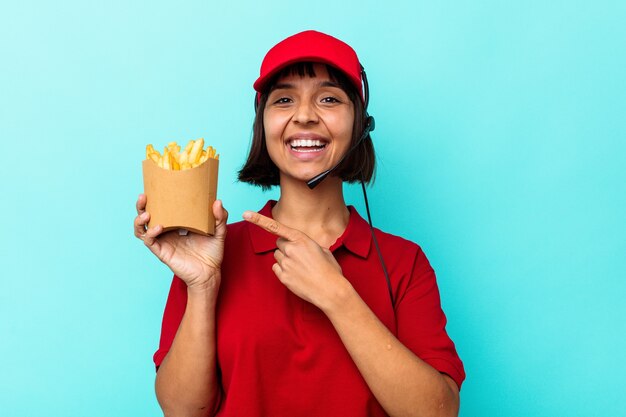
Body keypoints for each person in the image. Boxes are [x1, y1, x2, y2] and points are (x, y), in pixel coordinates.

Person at [134, 30, 465, 417]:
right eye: (284, 99)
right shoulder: (213, 254)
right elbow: (183, 411)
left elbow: (437, 412)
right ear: (263, 125)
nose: (305, 115)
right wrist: (203, 286)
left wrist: (337, 295)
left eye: (328, 99)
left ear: (361, 123)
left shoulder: (404, 262)